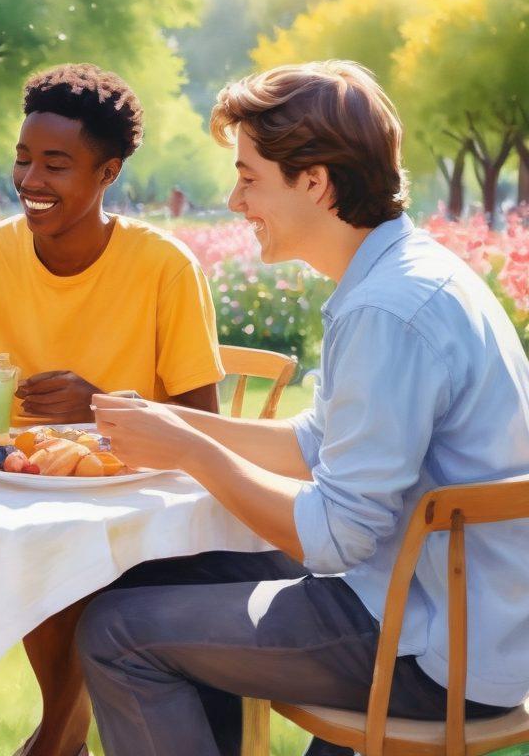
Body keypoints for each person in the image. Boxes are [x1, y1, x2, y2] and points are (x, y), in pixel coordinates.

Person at [80, 60, 529, 756]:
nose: (234, 200)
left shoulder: (387, 308)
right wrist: (176, 421)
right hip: (445, 608)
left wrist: (191, 454)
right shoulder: (403, 273)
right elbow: (316, 444)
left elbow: (335, 536)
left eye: (249, 177)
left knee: (115, 633)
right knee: (165, 571)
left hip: (436, 647)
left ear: (314, 181)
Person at [0, 63, 224, 756]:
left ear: (107, 171)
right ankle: (46, 741)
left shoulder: (163, 266)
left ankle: (56, 741)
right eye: (23, 159)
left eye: (56, 164)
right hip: (9, 488)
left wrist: (103, 406)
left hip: (132, 507)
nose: (30, 180)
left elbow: (203, 416)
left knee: (57, 562)